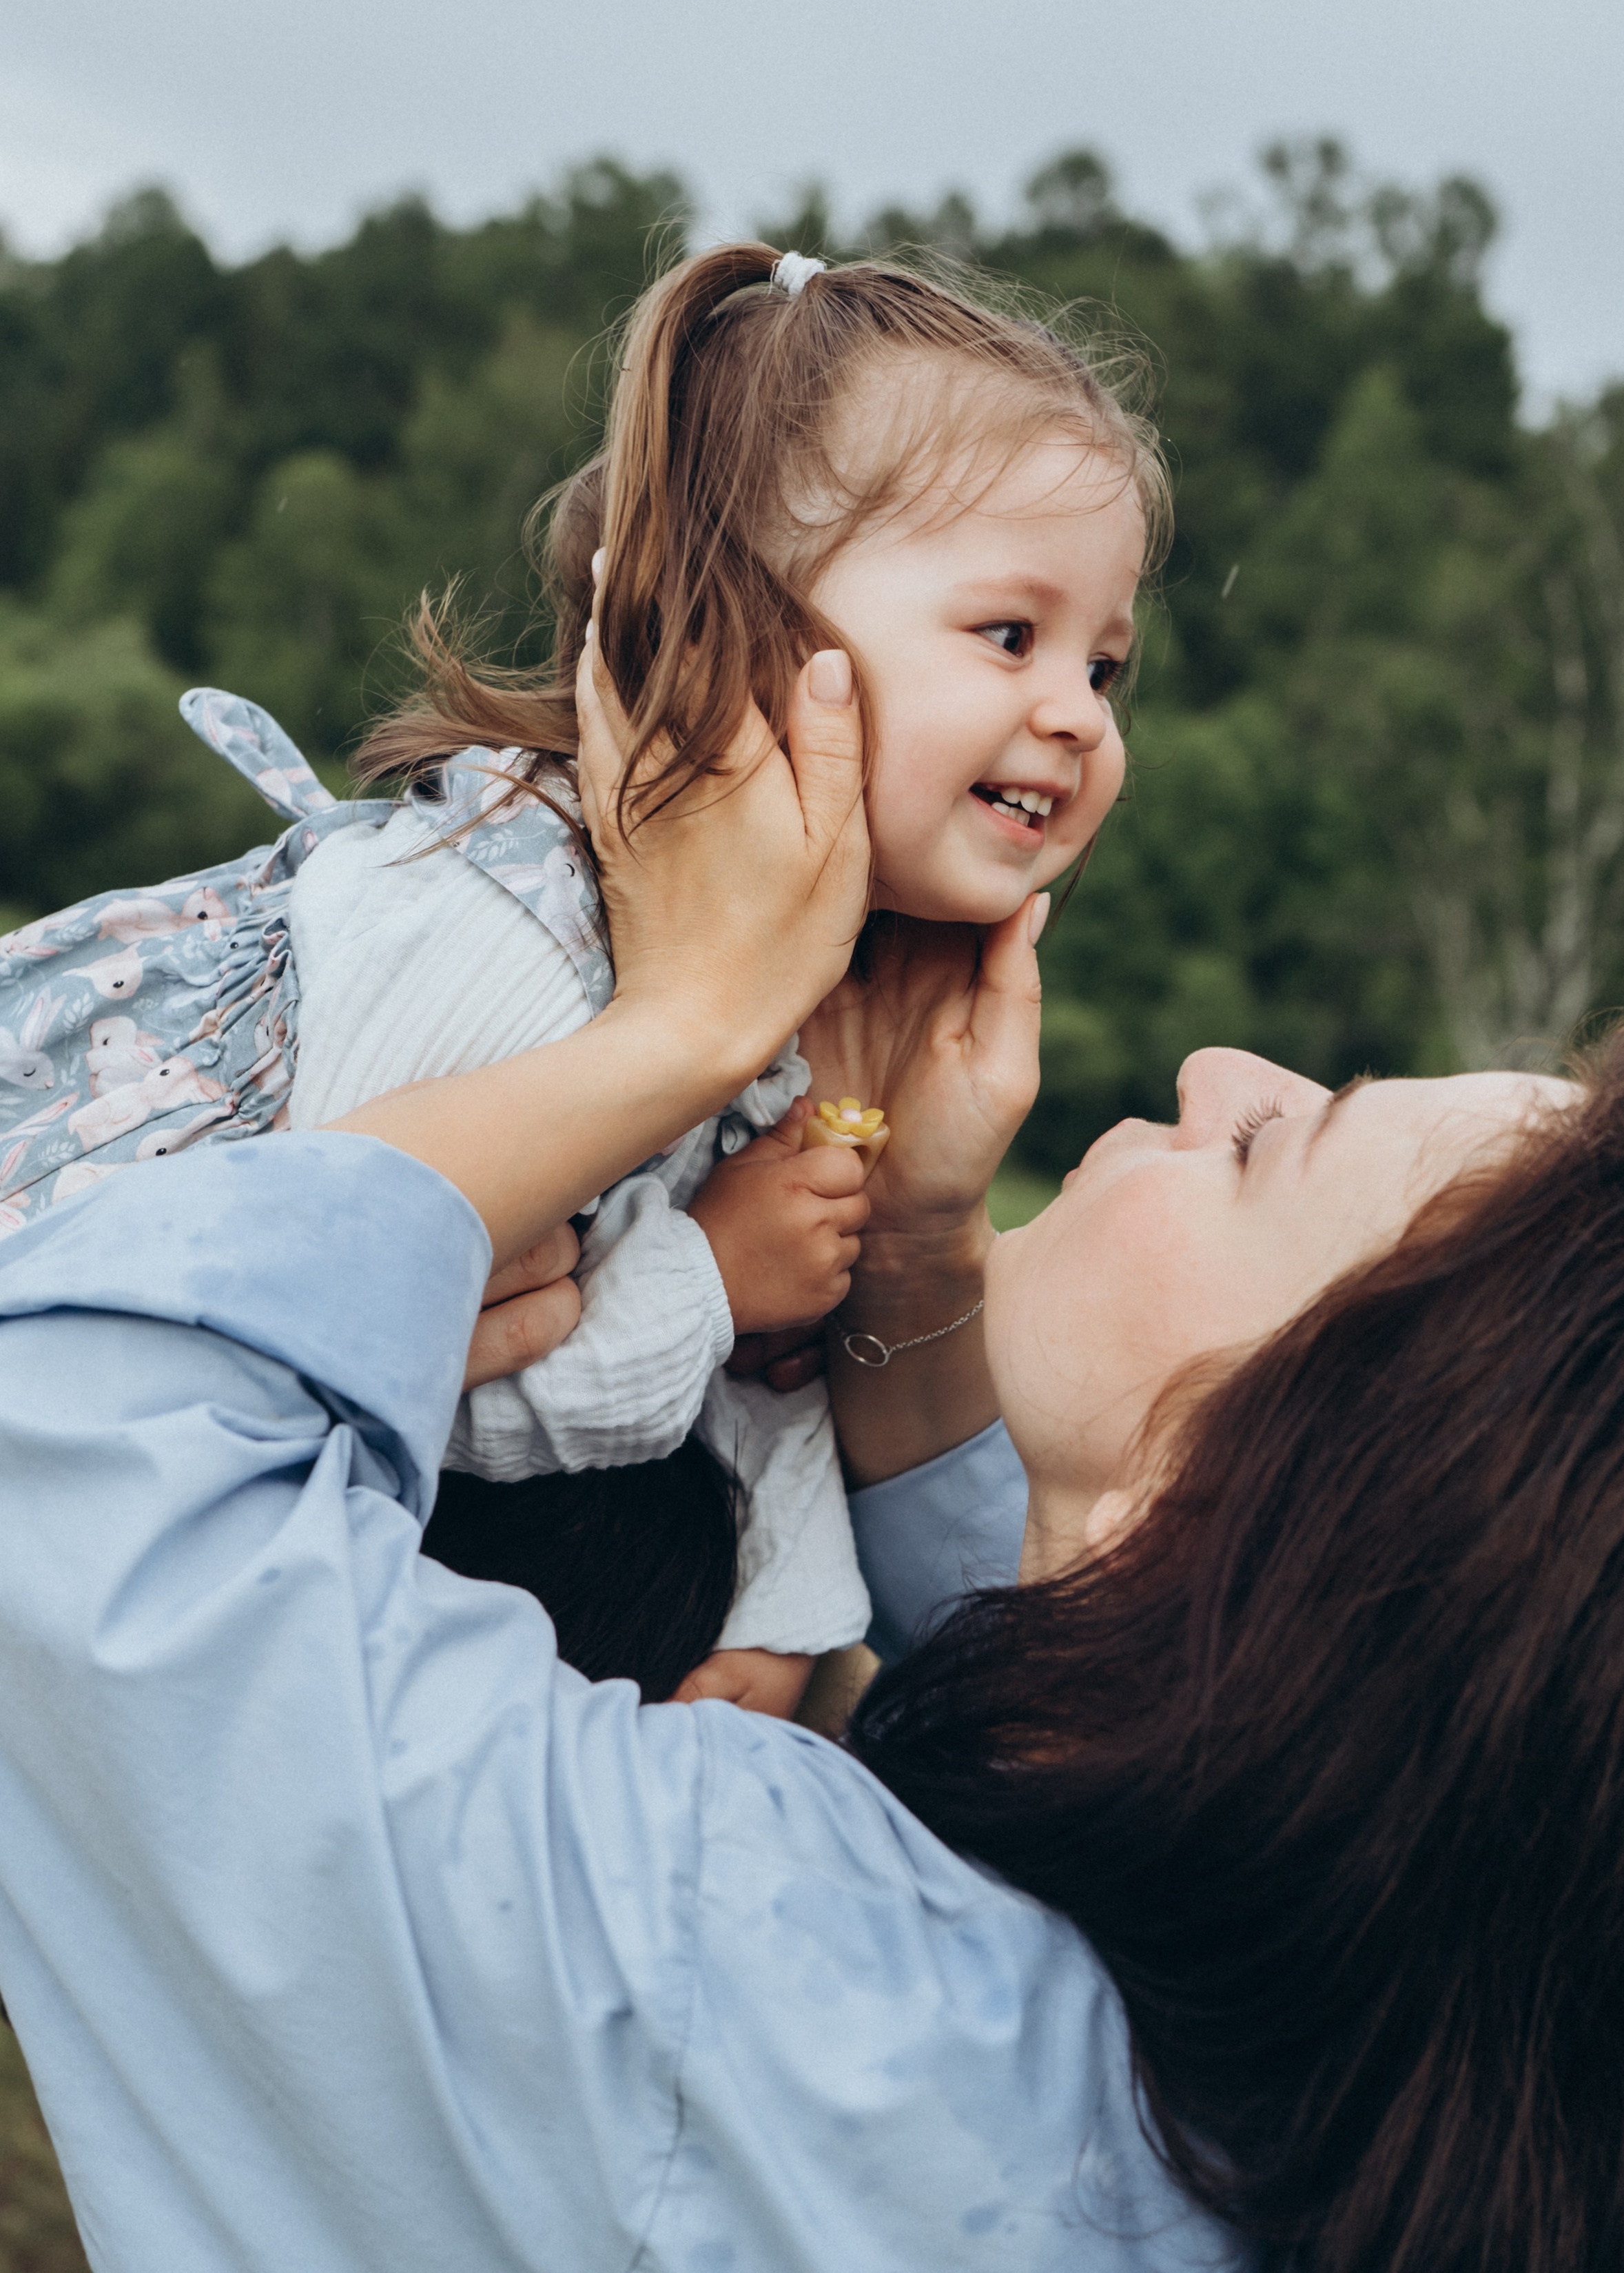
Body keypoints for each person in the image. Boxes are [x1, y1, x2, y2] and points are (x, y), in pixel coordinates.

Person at [1, 641, 1624, 2273]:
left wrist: (672, 1032)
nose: (1224, 1065)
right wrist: (912, 1246)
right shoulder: (1411, 2098)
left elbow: (71, 1460)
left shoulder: (745, 1988)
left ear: (1246, 1509)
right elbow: (1092, 1652)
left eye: (1277, 1148)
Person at [0, 240, 1164, 1712]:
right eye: (1010, 635)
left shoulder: (816, 1002)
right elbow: (326, 1379)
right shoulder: (500, 925)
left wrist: (785, 1625)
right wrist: (707, 1283)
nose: (1074, 717)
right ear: (737, 616)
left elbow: (779, 1383)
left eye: (1104, 666)